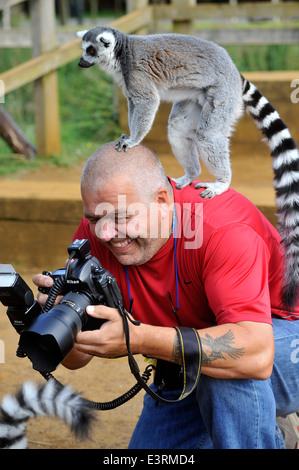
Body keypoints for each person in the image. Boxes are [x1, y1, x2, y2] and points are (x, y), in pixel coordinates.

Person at [34, 141, 299, 449]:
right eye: (95, 219)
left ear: (161, 200)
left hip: (281, 338)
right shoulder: (97, 232)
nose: (106, 233)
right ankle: (256, 424)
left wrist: (140, 339)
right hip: (184, 363)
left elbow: (256, 355)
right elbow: (76, 361)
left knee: (220, 365)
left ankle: (268, 434)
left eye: (121, 217)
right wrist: (58, 318)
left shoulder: (220, 228)